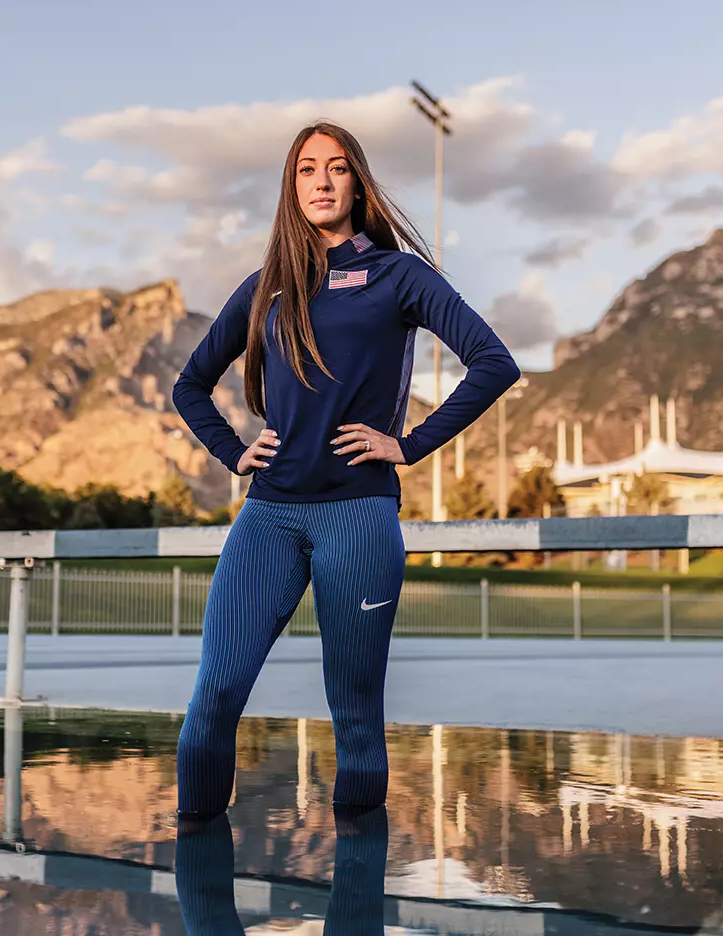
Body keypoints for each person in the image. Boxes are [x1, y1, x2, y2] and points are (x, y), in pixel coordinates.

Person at [170, 121, 520, 819]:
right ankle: (196, 870)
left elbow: (493, 362)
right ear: (291, 187)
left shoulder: (400, 276)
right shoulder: (265, 287)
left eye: (335, 168)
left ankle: (356, 886)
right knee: (214, 694)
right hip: (267, 514)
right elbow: (190, 384)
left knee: (355, 716)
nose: (321, 181)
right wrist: (234, 452)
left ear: (358, 183)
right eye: (306, 169)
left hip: (358, 517)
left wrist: (409, 443)